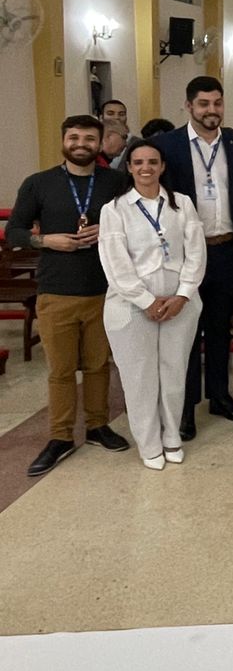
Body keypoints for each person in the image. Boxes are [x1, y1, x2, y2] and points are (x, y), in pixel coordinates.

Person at [10, 115, 129, 477]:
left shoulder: (116, 182)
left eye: (89, 138)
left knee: (97, 365)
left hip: (104, 290)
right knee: (61, 370)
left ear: (100, 143)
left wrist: (108, 228)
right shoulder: (39, 183)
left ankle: (97, 426)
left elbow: (136, 221)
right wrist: (46, 240)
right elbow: (14, 231)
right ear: (63, 141)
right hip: (56, 291)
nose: (81, 144)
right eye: (74, 137)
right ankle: (60, 436)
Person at [151, 75, 233, 440]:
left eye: (217, 103)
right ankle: (186, 407)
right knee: (187, 332)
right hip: (186, 254)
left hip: (227, 248)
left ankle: (220, 396)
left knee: (221, 327)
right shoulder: (166, 144)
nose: (212, 110)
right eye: (204, 104)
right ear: (189, 106)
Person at [97, 143, 206, 469]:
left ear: (162, 166)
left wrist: (183, 295)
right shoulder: (114, 209)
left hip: (179, 304)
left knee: (174, 373)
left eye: (153, 162)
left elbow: (196, 253)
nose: (146, 168)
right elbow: (115, 263)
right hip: (131, 305)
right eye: (139, 162)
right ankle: (149, 444)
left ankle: (172, 435)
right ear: (129, 167)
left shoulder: (181, 204)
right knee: (139, 378)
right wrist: (145, 301)